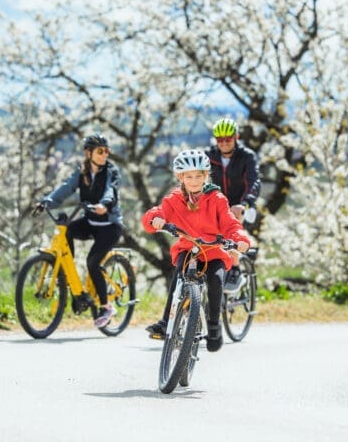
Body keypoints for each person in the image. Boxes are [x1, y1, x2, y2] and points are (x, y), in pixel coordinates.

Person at [142, 149, 251, 349]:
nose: (193, 180)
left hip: (214, 251)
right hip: (188, 248)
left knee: (216, 281)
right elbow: (157, 213)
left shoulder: (217, 199)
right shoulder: (174, 200)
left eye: (198, 176)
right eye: (188, 176)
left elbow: (230, 224)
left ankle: (214, 326)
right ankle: (167, 320)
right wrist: (155, 219)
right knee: (178, 275)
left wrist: (240, 239)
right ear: (180, 177)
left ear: (205, 176)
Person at [37, 134, 123, 328]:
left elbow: (111, 190)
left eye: (106, 151)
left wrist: (104, 204)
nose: (104, 155)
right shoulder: (82, 172)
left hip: (109, 226)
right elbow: (66, 188)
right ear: (88, 153)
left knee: (92, 262)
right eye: (100, 151)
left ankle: (106, 306)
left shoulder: (111, 171)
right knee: (66, 230)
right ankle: (69, 275)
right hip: (91, 221)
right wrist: (47, 202)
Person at [206, 117, 260, 293]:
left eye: (227, 139)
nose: (223, 143)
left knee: (233, 224)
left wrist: (244, 203)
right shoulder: (209, 156)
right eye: (219, 140)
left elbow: (253, 183)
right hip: (218, 205)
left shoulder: (247, 157)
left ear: (236, 137)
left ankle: (235, 269)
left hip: (241, 206)